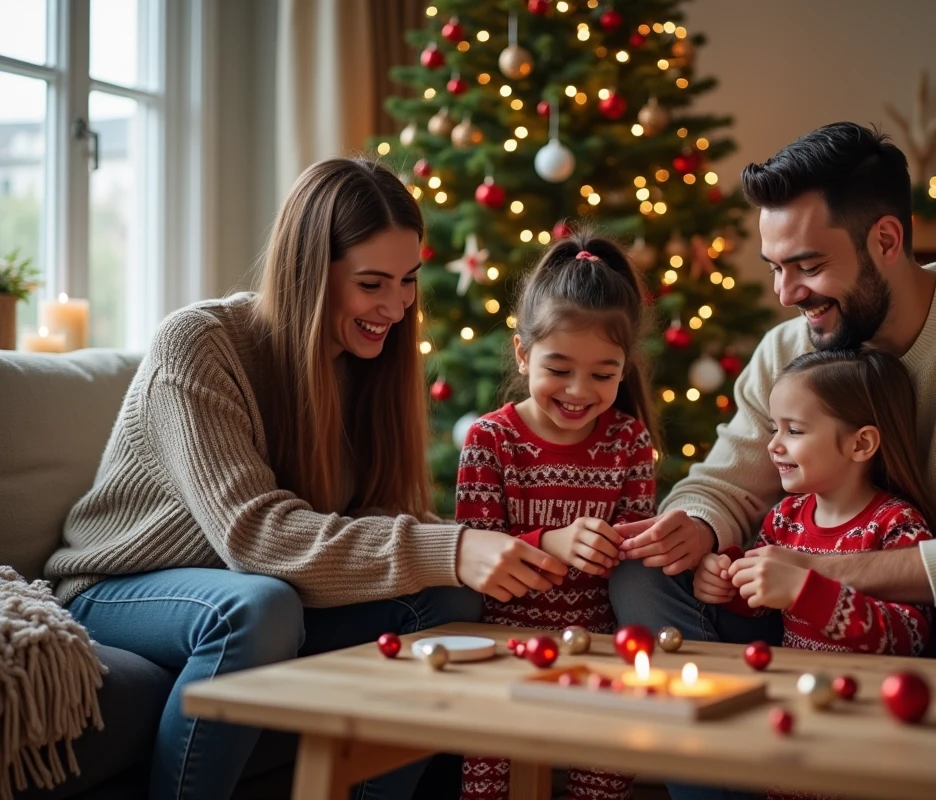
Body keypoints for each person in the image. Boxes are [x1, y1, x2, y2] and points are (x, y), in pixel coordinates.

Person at [45, 157, 569, 800]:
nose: (398, 307)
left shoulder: (363, 364)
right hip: (120, 587)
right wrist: (453, 549)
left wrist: (496, 549)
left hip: (264, 593)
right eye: (372, 283)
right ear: (308, 272)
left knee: (448, 603)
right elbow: (256, 538)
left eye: (408, 280)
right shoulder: (199, 344)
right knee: (259, 607)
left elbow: (374, 515)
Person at [611, 121, 936, 672]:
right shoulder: (788, 351)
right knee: (645, 570)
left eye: (809, 266)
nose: (786, 294)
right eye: (775, 269)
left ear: (886, 240)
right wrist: (696, 527)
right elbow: (722, 486)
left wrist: (827, 571)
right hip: (847, 617)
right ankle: (727, 745)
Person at [456, 234, 658, 800]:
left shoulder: (630, 441)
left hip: (598, 648)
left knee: (607, 773)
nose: (578, 390)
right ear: (523, 354)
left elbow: (635, 557)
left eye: (602, 373)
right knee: (491, 784)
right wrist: (554, 541)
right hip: (503, 650)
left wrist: (629, 543)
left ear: (625, 369)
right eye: (559, 368)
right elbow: (478, 551)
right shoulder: (490, 441)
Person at [695, 348, 934, 669]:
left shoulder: (897, 523)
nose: (773, 444)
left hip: (873, 691)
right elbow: (762, 605)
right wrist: (730, 580)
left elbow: (909, 638)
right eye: (773, 428)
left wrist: (807, 593)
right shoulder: (784, 518)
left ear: (860, 444)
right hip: (792, 681)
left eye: (793, 430)